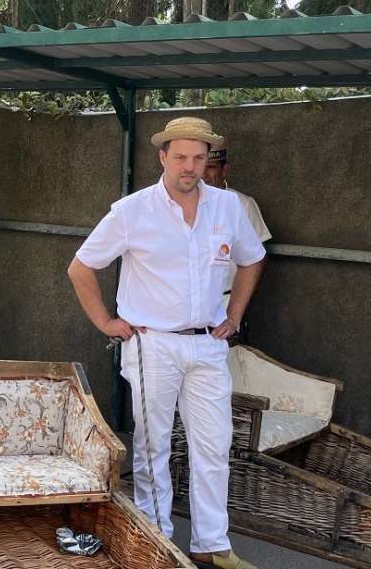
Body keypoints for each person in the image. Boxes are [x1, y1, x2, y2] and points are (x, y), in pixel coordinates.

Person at [67, 117, 265, 569]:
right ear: (162, 157)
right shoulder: (132, 210)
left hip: (208, 343)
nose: (190, 167)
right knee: (154, 445)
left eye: (199, 158)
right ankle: (158, 542)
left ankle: (212, 544)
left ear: (208, 160)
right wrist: (105, 322)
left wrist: (235, 315)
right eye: (180, 157)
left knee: (214, 445)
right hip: (151, 343)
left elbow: (253, 259)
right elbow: (81, 267)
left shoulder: (228, 207)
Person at [202, 146, 272, 313]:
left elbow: (258, 259)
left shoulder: (242, 204)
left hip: (226, 301)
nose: (203, 175)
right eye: (200, 167)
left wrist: (238, 310)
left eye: (210, 167)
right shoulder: (182, 204)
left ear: (224, 170)